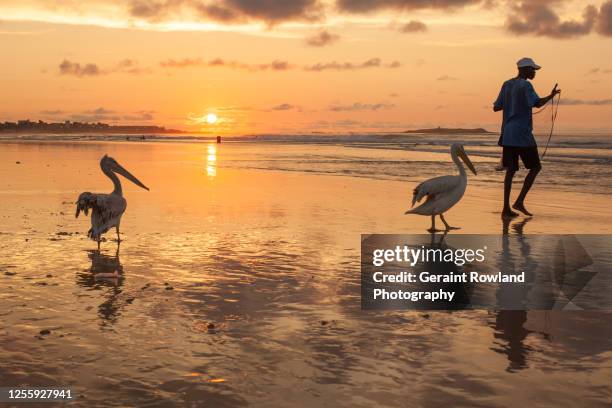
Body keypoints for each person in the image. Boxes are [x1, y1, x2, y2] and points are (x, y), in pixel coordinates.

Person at [493, 57, 560, 218]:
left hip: (508, 134)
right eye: (532, 70)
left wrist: (512, 103)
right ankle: (519, 202)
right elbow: (536, 103)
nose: (534, 73)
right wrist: (551, 96)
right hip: (522, 133)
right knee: (536, 167)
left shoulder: (507, 84)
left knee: (511, 170)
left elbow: (497, 106)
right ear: (524, 70)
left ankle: (505, 208)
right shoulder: (526, 85)